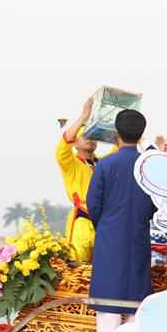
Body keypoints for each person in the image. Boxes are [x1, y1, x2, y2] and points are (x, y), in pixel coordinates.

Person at [88, 109, 157, 332]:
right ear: (141, 134)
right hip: (138, 237)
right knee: (135, 308)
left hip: (109, 239)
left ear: (116, 133)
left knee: (108, 312)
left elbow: (93, 204)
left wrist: (107, 226)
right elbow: (155, 205)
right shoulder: (147, 167)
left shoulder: (106, 165)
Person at [55, 96, 117, 263]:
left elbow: (120, 146)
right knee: (79, 270)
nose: (91, 138)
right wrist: (84, 116)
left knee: (105, 268)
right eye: (85, 135)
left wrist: (114, 113)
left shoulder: (103, 164)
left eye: (94, 136)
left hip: (104, 224)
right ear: (75, 142)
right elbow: (63, 144)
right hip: (83, 221)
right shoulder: (70, 163)